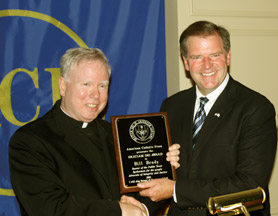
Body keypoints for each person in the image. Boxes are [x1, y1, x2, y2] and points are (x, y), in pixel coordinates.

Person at [9, 47, 180, 216]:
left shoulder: (119, 135)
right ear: (63, 86)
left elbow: (145, 193)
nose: (95, 95)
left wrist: (164, 169)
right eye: (86, 84)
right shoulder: (30, 141)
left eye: (102, 86)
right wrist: (119, 210)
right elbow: (51, 208)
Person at [137, 20, 277, 216]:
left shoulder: (256, 108)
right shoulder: (172, 106)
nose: (207, 64)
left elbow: (249, 185)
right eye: (197, 57)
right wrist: (141, 206)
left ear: (227, 57)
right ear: (186, 63)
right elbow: (165, 175)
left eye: (214, 55)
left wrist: (176, 190)